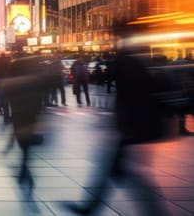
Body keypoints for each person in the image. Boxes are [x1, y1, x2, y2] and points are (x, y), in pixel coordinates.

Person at [65, 22, 169, 215]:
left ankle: (91, 207)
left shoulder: (127, 60)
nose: (113, 41)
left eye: (115, 36)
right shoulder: (135, 59)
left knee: (117, 169)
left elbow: (134, 93)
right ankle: (91, 206)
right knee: (116, 169)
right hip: (134, 124)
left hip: (133, 124)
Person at [2, 53, 50, 196]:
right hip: (30, 114)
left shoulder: (14, 74)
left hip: (18, 113)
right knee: (26, 145)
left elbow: (8, 94)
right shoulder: (33, 76)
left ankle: (23, 172)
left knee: (23, 143)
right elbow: (41, 95)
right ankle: (23, 171)